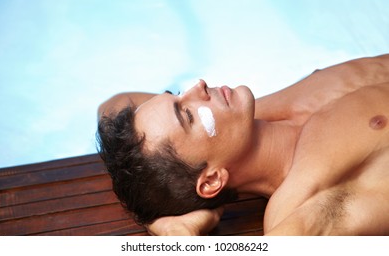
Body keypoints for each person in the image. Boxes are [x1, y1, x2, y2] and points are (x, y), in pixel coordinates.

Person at [97, 54, 389, 235]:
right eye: (186, 114)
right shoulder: (305, 199)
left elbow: (111, 106)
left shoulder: (249, 115)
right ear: (211, 180)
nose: (198, 86)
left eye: (177, 94)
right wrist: (176, 232)